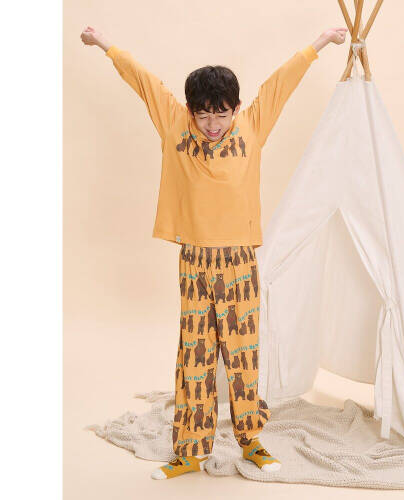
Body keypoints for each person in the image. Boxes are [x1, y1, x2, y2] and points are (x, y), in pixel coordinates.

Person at [80, 24, 347, 479]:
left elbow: (281, 82)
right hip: (195, 262)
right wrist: (103, 43)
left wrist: (321, 42)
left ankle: (251, 441)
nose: (212, 125)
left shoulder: (252, 127)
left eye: (220, 114)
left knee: (242, 356)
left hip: (239, 260)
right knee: (195, 357)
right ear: (190, 111)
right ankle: (190, 449)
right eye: (203, 115)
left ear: (235, 109)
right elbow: (143, 81)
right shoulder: (175, 125)